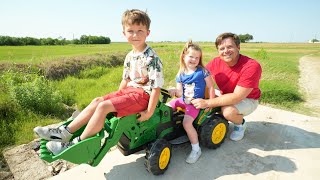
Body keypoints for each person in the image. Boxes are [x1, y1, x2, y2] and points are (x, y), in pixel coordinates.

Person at [33, 9, 164, 155]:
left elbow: (156, 88)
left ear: (148, 33)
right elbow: (125, 80)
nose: (135, 35)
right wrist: (118, 95)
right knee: (97, 101)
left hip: (143, 96)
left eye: (140, 30)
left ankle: (76, 144)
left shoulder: (152, 58)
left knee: (103, 106)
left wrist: (149, 112)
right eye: (131, 31)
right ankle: (64, 132)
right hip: (129, 93)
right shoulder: (129, 56)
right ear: (124, 34)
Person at [191, 32, 262, 141]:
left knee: (227, 111)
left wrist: (207, 103)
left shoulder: (251, 66)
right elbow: (199, 76)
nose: (226, 51)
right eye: (222, 48)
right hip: (226, 93)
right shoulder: (216, 62)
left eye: (229, 47)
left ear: (238, 47)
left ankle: (240, 124)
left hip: (247, 98)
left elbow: (237, 96)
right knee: (201, 88)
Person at [167, 41, 214, 164]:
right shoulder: (181, 73)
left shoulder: (202, 71)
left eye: (197, 57)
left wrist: (211, 102)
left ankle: (196, 149)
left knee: (187, 123)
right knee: (164, 110)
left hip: (194, 103)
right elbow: (179, 92)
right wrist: (173, 91)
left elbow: (211, 87)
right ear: (184, 56)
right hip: (183, 100)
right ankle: (167, 133)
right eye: (191, 56)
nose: (194, 59)